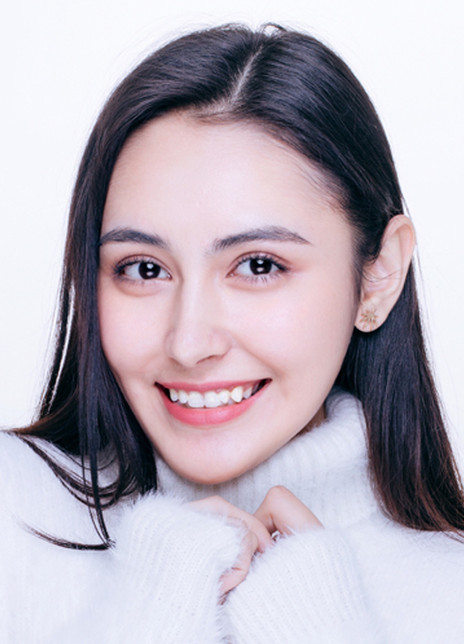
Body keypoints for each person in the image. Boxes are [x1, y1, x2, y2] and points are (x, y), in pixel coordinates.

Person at [1, 23, 464, 643]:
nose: (189, 344)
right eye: (144, 269)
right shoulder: (14, 518)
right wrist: (157, 603)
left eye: (259, 266)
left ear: (378, 277)